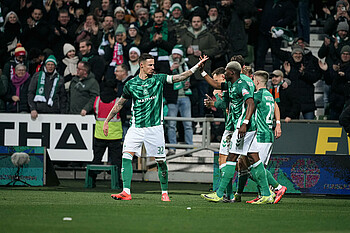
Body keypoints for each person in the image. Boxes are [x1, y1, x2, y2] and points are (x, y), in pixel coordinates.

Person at [103, 53, 208, 201]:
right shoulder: (131, 84)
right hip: (136, 127)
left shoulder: (158, 79)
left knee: (160, 161)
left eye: (153, 65)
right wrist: (107, 120)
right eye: (150, 65)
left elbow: (179, 77)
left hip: (155, 128)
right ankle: (126, 191)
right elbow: (120, 103)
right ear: (141, 65)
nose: (153, 67)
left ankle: (164, 192)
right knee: (126, 156)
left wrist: (197, 66)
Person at [200, 60, 274, 204]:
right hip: (242, 127)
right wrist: (202, 71)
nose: (224, 74)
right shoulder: (230, 84)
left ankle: (220, 194)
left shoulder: (242, 85)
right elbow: (215, 85)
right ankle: (267, 194)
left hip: (243, 128)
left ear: (231, 72)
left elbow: (251, 102)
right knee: (254, 158)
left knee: (231, 157)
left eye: (226, 71)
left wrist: (245, 123)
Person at [241, 70, 287, 204]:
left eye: (253, 80)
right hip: (268, 134)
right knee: (260, 167)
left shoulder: (258, 95)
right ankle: (263, 194)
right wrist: (278, 123)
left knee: (256, 167)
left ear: (256, 81)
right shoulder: (269, 95)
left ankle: (277, 188)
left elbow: (246, 104)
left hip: (260, 135)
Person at [91, 79, 123, 187]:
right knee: (116, 161)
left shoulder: (97, 100)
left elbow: (94, 113)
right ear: (115, 89)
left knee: (96, 159)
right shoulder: (118, 101)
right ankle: (117, 182)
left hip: (100, 134)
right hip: (115, 136)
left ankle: (91, 181)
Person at [166, 45, 193, 156]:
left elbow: (195, 81)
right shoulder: (166, 65)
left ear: (181, 56)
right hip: (172, 99)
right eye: (174, 54)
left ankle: (189, 149)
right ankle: (172, 149)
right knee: (171, 124)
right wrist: (170, 70)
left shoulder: (188, 66)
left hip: (185, 97)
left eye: (178, 54)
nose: (176, 56)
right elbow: (162, 81)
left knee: (188, 124)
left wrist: (189, 84)